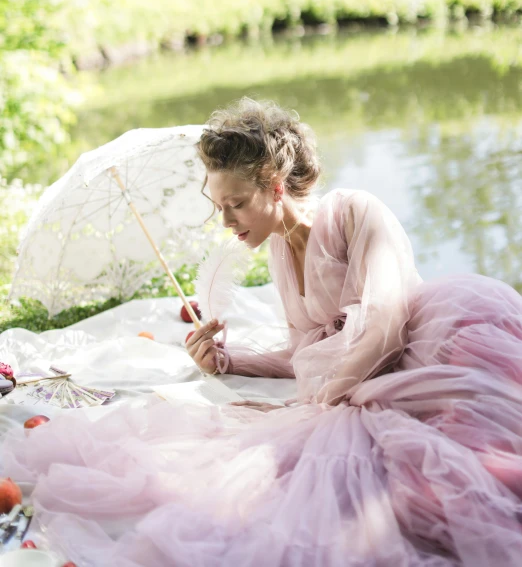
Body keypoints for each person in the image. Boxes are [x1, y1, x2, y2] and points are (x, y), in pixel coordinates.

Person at [6, 98, 522, 566]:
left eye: (236, 203)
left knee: (444, 466)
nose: (226, 221)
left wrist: (327, 398)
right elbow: (304, 349)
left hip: (426, 346)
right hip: (357, 374)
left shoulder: (355, 213)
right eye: (219, 206)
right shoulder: (277, 248)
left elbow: (384, 324)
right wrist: (230, 361)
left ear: (275, 184)